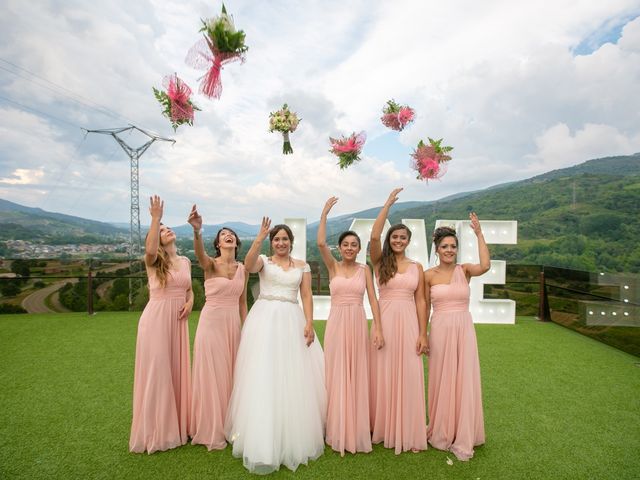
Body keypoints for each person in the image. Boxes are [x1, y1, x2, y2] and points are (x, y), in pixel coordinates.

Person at [225, 218, 326, 474]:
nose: (281, 243)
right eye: (277, 239)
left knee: (293, 375)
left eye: (285, 239)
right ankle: (261, 437)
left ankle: (291, 434)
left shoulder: (302, 267)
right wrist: (258, 238)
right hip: (264, 321)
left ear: (291, 243)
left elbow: (306, 295)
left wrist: (310, 322)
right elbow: (247, 266)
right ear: (272, 243)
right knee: (264, 373)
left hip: (292, 319)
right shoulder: (264, 262)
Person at [317, 197, 384, 456]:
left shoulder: (364, 269)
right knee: (336, 372)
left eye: (354, 245)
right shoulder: (332, 266)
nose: (349, 248)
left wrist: (377, 326)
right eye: (345, 244)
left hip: (357, 322)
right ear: (340, 247)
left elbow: (373, 299)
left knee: (356, 372)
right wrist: (324, 213)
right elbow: (320, 242)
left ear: (359, 249)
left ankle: (355, 426)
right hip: (336, 323)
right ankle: (335, 426)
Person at [129, 195, 193, 454]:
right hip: (156, 319)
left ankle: (177, 425)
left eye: (168, 227)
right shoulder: (153, 261)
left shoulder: (186, 261)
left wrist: (190, 300)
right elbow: (151, 250)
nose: (168, 231)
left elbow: (187, 289)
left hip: (178, 322)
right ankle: (157, 431)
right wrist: (155, 218)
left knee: (176, 370)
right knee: (158, 371)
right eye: (162, 230)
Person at [369, 188, 429, 454]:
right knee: (382, 371)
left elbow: (421, 301)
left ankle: (407, 425)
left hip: (409, 324)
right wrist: (386, 206)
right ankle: (382, 425)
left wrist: (423, 333)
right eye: (394, 236)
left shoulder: (417, 267)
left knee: (409, 372)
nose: (398, 240)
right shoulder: (381, 262)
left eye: (403, 237)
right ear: (389, 239)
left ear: (408, 240)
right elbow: (372, 235)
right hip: (385, 321)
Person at [424, 213, 488, 461]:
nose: (449, 250)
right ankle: (441, 429)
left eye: (453, 246)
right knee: (442, 378)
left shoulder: (466, 270)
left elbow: (486, 265)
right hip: (439, 328)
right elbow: (423, 308)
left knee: (464, 377)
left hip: (464, 329)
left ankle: (463, 431)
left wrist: (479, 234)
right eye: (445, 247)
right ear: (437, 249)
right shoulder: (428, 275)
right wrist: (423, 334)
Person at [187, 205, 247, 450]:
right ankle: (211, 428)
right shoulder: (210, 264)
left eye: (230, 233)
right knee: (213, 375)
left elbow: (243, 303)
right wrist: (197, 232)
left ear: (236, 242)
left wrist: (248, 329)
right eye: (223, 235)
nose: (228, 236)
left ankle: (231, 426)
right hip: (211, 324)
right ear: (218, 244)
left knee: (233, 374)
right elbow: (199, 256)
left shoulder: (242, 268)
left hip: (233, 325)